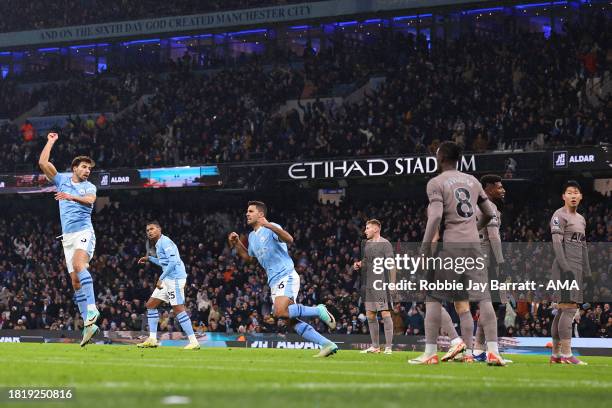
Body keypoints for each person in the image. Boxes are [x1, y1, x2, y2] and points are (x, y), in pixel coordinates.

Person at [409, 141, 502, 365]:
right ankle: (491, 352)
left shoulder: (436, 182)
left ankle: (430, 353)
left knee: (433, 298)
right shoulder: (473, 181)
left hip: (452, 247)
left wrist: (423, 249)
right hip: (474, 247)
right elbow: (489, 213)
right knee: (482, 299)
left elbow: (436, 217)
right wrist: (473, 229)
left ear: (440, 158)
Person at [228, 201, 338, 357]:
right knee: (289, 320)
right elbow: (250, 259)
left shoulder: (271, 226)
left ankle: (318, 310)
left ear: (261, 214)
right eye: (247, 211)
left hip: (286, 275)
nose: (247, 214)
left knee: (280, 312)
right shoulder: (252, 236)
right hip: (273, 281)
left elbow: (289, 239)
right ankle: (326, 344)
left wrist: (270, 226)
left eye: (250, 211)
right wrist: (237, 243)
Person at [38, 132, 100, 347]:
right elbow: (43, 162)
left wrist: (71, 196)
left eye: (89, 168)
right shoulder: (62, 179)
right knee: (75, 282)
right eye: (84, 167)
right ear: (74, 168)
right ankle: (88, 324)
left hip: (84, 232)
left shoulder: (89, 187)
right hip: (68, 237)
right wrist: (51, 141)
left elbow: (90, 201)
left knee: (79, 265)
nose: (87, 171)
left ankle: (92, 309)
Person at [136, 221, 200, 350]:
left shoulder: (165, 242)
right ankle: (153, 339)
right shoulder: (159, 243)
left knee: (178, 309)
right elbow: (164, 262)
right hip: (169, 278)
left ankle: (194, 341)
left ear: (159, 229)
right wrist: (149, 259)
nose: (149, 232)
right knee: (150, 305)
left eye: (152, 229)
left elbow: (173, 262)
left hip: (175, 278)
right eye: (147, 230)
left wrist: (160, 278)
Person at [549, 181, 591, 365]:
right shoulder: (559, 216)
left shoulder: (581, 219)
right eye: (569, 192)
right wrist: (566, 268)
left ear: (581, 197)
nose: (573, 196)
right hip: (564, 268)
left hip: (577, 267)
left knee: (562, 311)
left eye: (576, 192)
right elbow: (557, 244)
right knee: (570, 309)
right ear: (563, 196)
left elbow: (583, 245)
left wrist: (587, 269)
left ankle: (556, 355)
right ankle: (567, 354)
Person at [354, 219, 395, 354]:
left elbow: (391, 265)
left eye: (367, 228)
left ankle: (388, 347)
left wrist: (393, 283)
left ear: (376, 229)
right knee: (370, 314)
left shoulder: (385, 244)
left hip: (381, 283)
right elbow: (367, 261)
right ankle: (375, 346)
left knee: (384, 312)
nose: (365, 231)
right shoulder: (367, 244)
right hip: (369, 284)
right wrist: (360, 264)